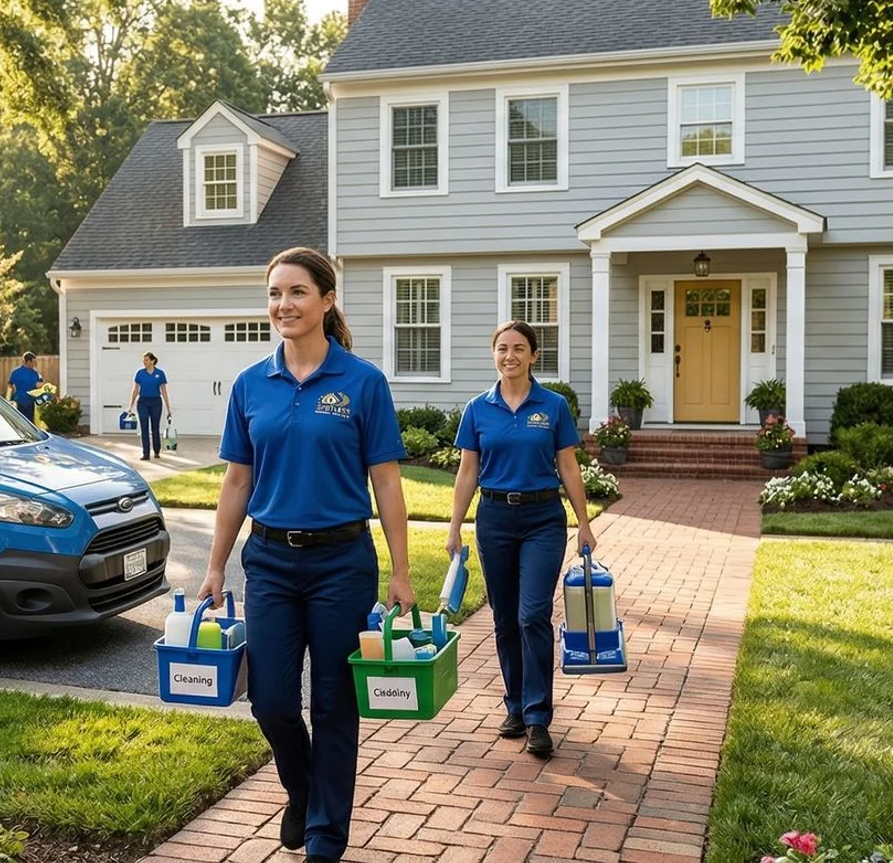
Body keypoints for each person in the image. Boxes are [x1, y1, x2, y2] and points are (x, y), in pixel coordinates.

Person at [198, 247, 413, 863]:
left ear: (326, 299)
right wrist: (215, 566)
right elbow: (237, 481)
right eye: (274, 293)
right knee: (269, 699)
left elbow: (388, 482)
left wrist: (400, 572)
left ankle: (325, 836)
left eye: (296, 292)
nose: (283, 305)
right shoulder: (250, 384)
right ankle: (303, 788)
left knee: (334, 703)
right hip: (268, 560)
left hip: (341, 562)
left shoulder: (362, 382)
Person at [446, 320, 597, 759]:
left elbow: (568, 466)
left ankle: (537, 717)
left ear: (534, 356)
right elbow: (467, 471)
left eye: (518, 348)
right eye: (502, 348)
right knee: (505, 618)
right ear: (494, 354)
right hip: (493, 518)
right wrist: (455, 526)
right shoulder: (478, 408)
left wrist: (583, 521)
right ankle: (513, 705)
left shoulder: (553, 406)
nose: (509, 355)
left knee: (533, 614)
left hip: (542, 519)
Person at [128, 352, 171, 460]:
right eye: (143, 360)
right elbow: (135, 390)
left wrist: (168, 408)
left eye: (146, 360)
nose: (144, 362)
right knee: (144, 428)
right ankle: (146, 453)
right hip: (143, 402)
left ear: (152, 361)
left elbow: (164, 391)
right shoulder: (140, 373)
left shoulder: (160, 373)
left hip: (156, 402)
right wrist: (131, 405)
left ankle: (156, 451)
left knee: (155, 427)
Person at [7, 352, 42, 421]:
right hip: (19, 402)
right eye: (34, 362)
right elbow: (10, 386)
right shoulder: (16, 372)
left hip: (31, 403)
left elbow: (39, 386)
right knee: (20, 422)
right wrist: (8, 399)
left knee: (29, 423)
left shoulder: (35, 373)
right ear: (28, 361)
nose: (35, 364)